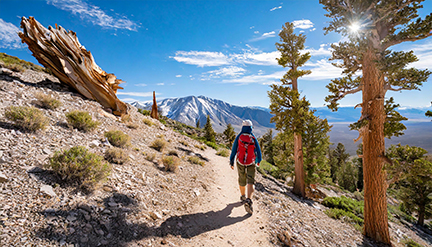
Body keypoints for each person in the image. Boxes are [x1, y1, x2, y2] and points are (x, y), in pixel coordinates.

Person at [229, 119, 262, 214]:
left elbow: (234, 149)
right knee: (250, 181)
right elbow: (258, 150)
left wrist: (231, 161)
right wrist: (258, 160)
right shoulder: (253, 137)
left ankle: (243, 196)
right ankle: (249, 199)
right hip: (251, 162)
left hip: (240, 161)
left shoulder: (239, 136)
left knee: (242, 178)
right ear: (251, 127)